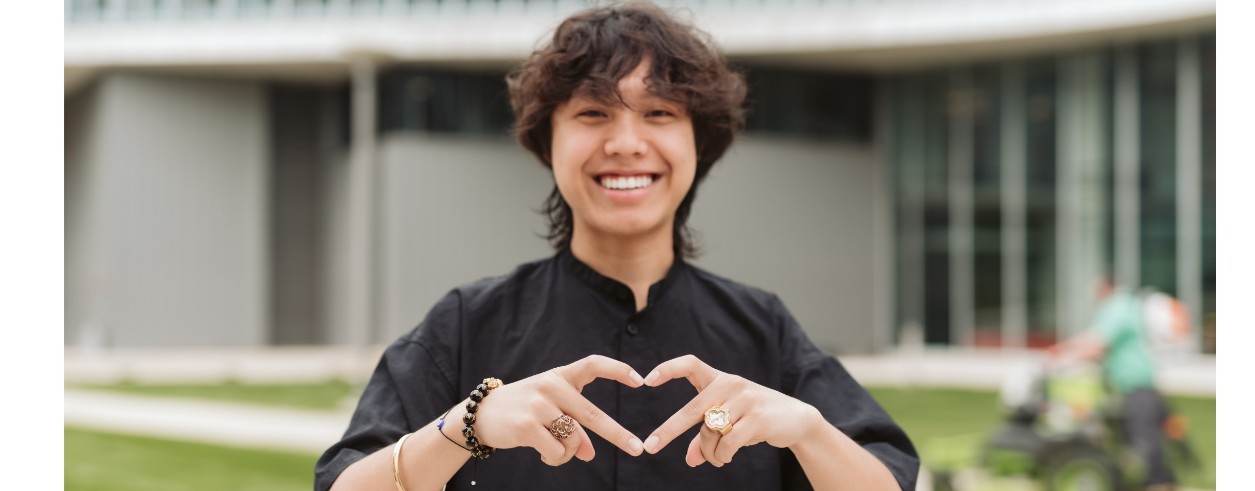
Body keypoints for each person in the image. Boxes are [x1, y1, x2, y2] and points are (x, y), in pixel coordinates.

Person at [315, 2, 918, 490]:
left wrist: (809, 430)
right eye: (594, 113)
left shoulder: (765, 330)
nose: (627, 142)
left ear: (697, 142)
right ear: (545, 139)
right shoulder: (467, 324)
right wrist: (466, 426)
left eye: (658, 112)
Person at [1048, 275, 1176, 491]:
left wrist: (1063, 360)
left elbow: (1097, 344)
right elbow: (1091, 338)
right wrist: (1064, 347)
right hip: (1135, 383)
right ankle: (1153, 480)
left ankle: (1158, 484)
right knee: (1133, 435)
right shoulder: (1126, 306)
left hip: (1136, 382)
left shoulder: (1117, 306)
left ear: (1104, 289)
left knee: (1143, 437)